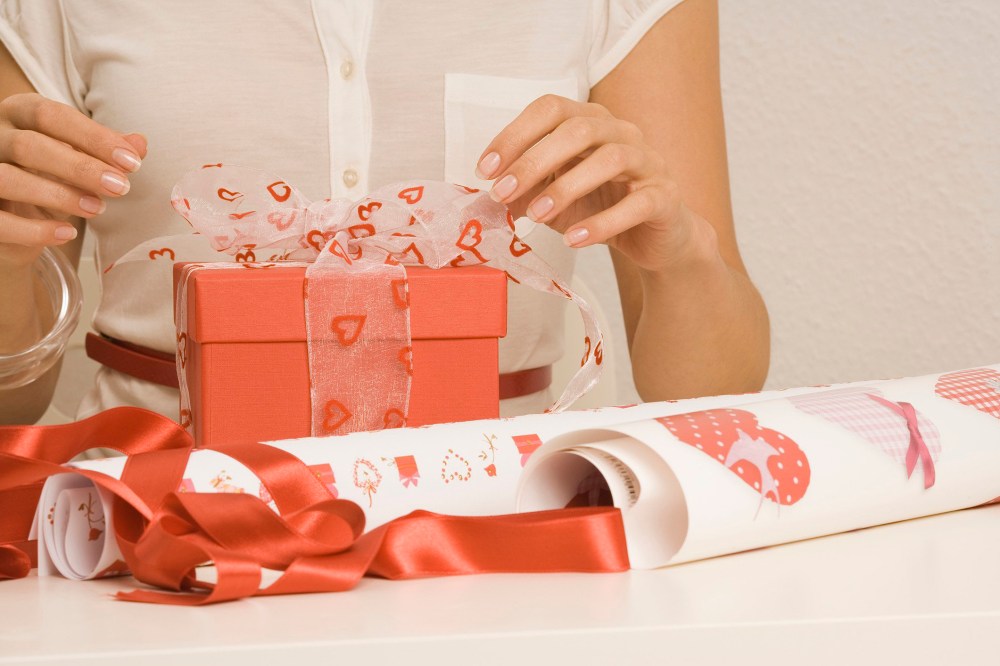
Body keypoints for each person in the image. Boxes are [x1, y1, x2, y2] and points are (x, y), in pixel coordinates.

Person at [0, 0, 768, 426]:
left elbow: (711, 390)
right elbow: (17, 396)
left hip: (500, 528)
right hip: (148, 526)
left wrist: (683, 255)